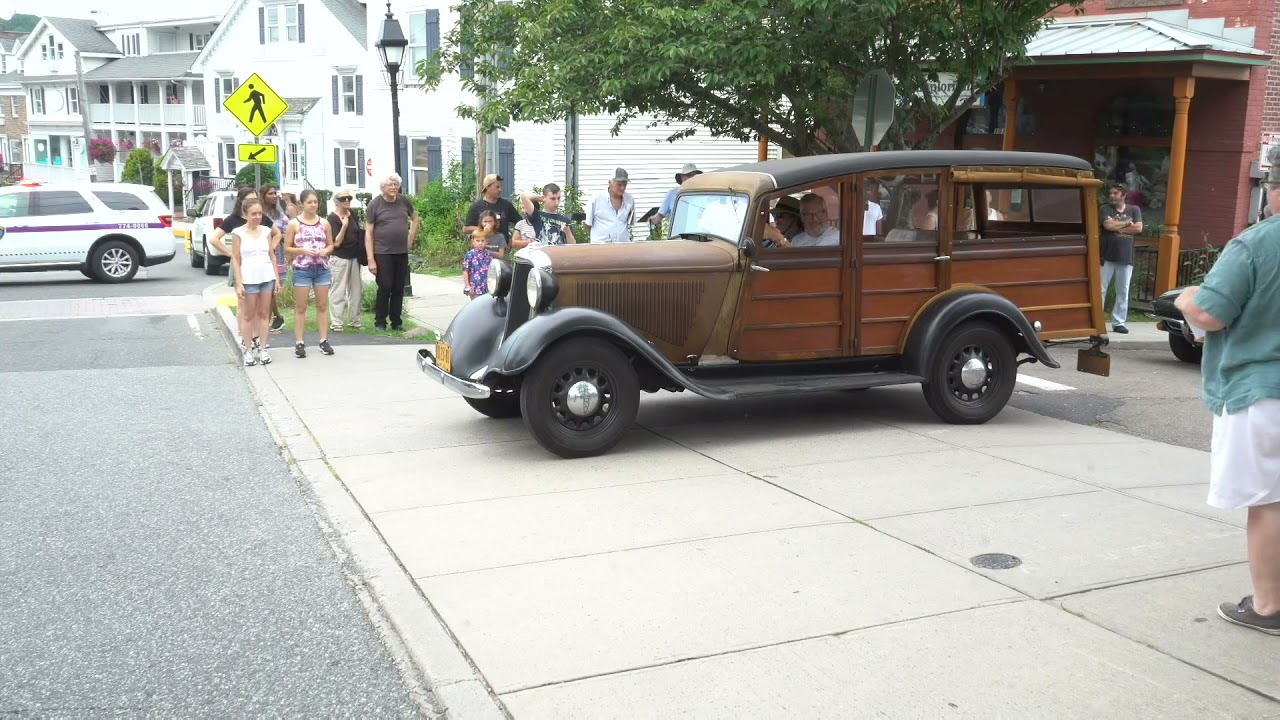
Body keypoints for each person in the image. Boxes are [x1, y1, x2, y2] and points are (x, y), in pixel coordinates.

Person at [1173, 178, 1280, 636]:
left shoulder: (1259, 242)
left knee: (1269, 503)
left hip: (1262, 391)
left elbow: (1211, 312)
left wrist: (1184, 297)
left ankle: (1268, 606)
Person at [229, 198, 281, 367]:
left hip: (266, 276)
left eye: (260, 213)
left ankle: (263, 348)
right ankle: (248, 349)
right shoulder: (238, 233)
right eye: (254, 214)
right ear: (245, 215)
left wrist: (277, 279)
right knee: (248, 315)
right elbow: (235, 258)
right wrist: (239, 283)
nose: (257, 217)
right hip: (249, 278)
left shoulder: (266, 231)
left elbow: (271, 255)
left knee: (265, 314)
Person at [364, 174, 419, 332]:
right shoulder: (375, 204)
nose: (394, 187)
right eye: (390, 185)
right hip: (382, 252)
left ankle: (396, 321)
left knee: (398, 288)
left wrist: (411, 236)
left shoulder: (404, 201)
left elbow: (415, 218)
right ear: (383, 188)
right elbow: (368, 233)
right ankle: (380, 322)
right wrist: (370, 259)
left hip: (401, 251)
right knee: (385, 287)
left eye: (396, 184)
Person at [285, 189, 335, 357]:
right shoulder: (294, 224)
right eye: (309, 202)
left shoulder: (324, 223)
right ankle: (299, 342)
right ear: (302, 204)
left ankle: (324, 340)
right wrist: (301, 250)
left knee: (321, 306)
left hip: (321, 268)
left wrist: (325, 251)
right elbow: (287, 247)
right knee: (301, 306)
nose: (313, 205)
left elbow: (331, 244)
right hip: (302, 269)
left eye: (315, 202)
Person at [1100, 182, 1143, 334]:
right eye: (1111, 193)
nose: (1112, 196)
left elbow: (1138, 228)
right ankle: (1098, 321)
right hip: (1106, 256)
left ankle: (1119, 322)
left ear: (1123, 195)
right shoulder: (1105, 208)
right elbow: (1108, 226)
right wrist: (1126, 223)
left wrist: (1117, 224)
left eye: (1115, 193)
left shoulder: (1134, 209)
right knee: (1101, 289)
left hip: (1126, 257)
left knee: (1123, 290)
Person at [327, 188, 365, 332]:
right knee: (339, 290)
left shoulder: (352, 214)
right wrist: (344, 226)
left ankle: (355, 320)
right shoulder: (332, 218)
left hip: (355, 257)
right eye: (343, 199)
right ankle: (337, 323)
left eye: (349, 198)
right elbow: (336, 243)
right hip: (340, 258)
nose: (347, 201)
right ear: (337, 201)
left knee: (356, 290)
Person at [259, 183, 289, 333]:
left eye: (275, 193)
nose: (274, 196)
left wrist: (278, 236)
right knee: (266, 290)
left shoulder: (280, 215)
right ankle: (275, 318)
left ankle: (271, 321)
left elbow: (288, 234)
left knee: (272, 290)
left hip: (278, 256)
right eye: (270, 193)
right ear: (263, 195)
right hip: (260, 256)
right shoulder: (258, 214)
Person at [586, 168, 636, 243]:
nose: (622, 188)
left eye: (624, 185)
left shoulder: (629, 199)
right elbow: (588, 224)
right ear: (610, 183)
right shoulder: (596, 199)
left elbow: (630, 223)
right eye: (619, 185)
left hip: (623, 246)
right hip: (601, 247)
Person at [650, 163, 702, 228]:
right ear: (682, 177)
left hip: (697, 235)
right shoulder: (672, 194)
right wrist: (652, 220)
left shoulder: (701, 194)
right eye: (689, 175)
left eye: (694, 176)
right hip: (677, 236)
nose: (692, 178)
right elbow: (659, 216)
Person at [463, 229, 494, 299]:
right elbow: (465, 271)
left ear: (486, 242)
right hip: (475, 288)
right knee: (476, 307)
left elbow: (492, 271)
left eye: (482, 241)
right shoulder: (470, 254)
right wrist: (467, 286)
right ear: (473, 242)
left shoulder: (488, 255)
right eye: (477, 241)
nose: (480, 243)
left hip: (487, 288)